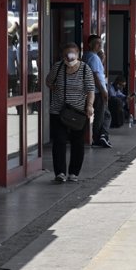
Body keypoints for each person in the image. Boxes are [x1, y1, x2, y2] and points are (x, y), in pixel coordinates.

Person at [45, 42, 96, 183]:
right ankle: (60, 173)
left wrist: (89, 106)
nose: (70, 57)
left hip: (78, 112)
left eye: (72, 54)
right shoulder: (58, 67)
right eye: (67, 55)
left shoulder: (86, 69)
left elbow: (91, 89)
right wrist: (53, 87)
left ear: (78, 54)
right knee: (59, 141)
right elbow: (48, 81)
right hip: (58, 111)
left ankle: (74, 173)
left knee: (77, 142)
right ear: (63, 55)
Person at [83, 35, 111, 148]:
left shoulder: (90, 56)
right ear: (90, 44)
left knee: (105, 114)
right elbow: (94, 75)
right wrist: (103, 90)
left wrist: (101, 60)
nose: (100, 45)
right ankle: (98, 138)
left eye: (101, 43)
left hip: (94, 90)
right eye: (97, 43)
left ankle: (102, 136)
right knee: (101, 115)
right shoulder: (93, 57)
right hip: (97, 91)